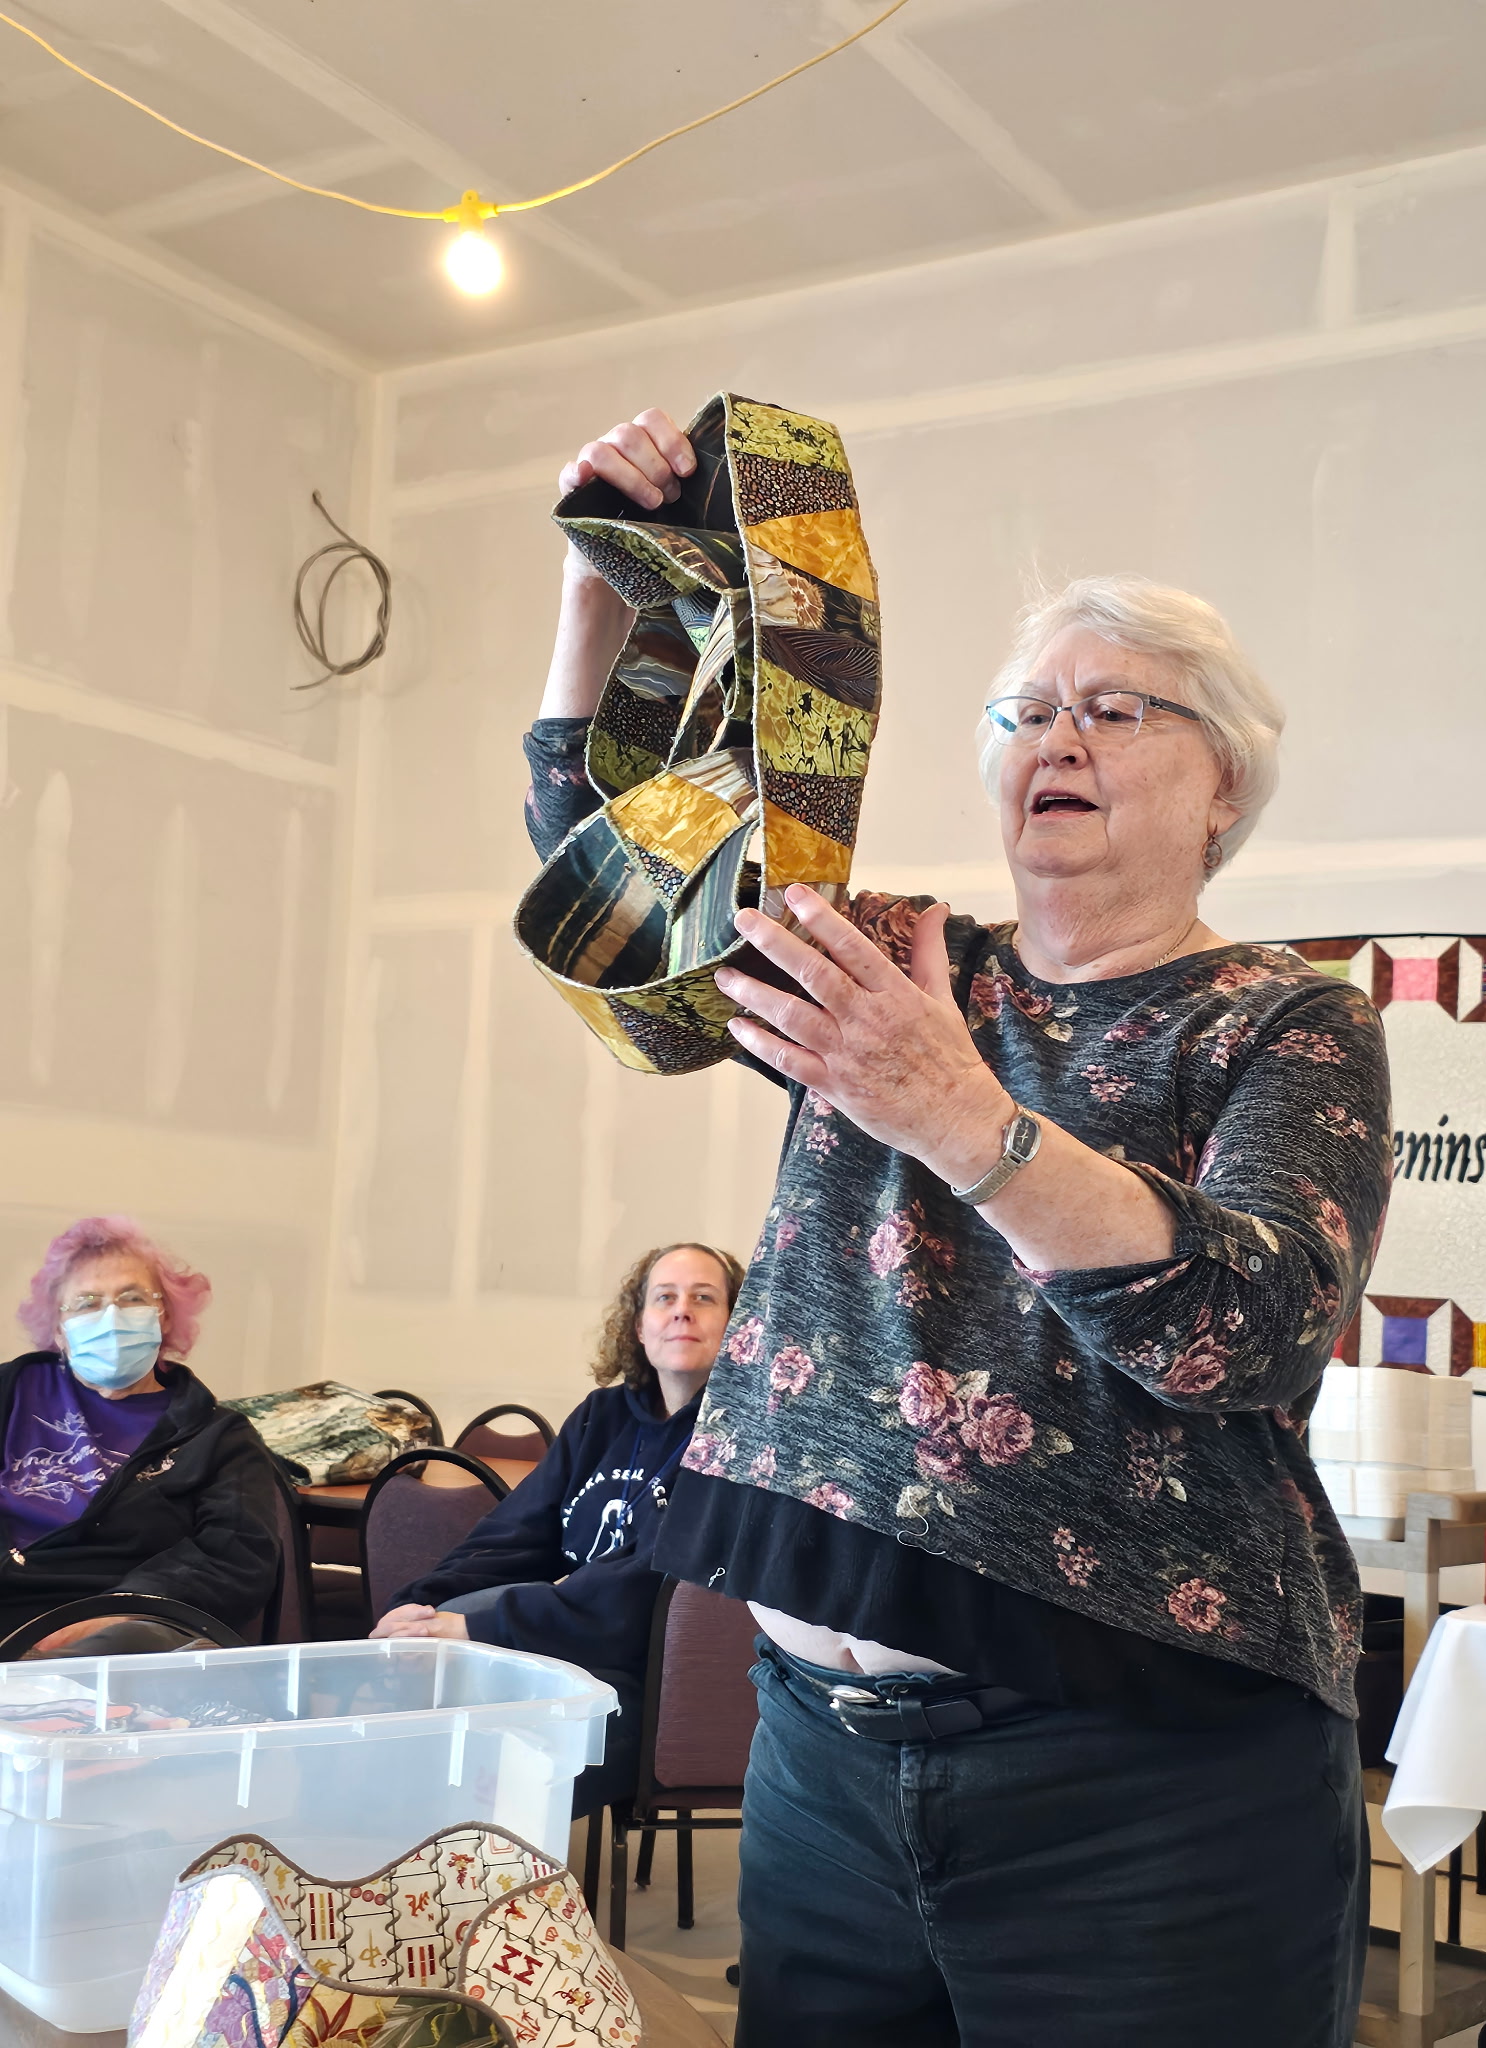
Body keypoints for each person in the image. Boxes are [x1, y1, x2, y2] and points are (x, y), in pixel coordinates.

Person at [521, 412, 1395, 2048]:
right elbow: (625, 913)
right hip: (819, 1764)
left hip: (1142, 1791)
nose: (1055, 734)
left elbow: (1249, 1328)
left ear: (1222, 786)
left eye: (1113, 707)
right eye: (1023, 711)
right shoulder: (898, 955)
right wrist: (603, 588)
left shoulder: (1282, 1020)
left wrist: (951, 1109)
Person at [371, 1241, 744, 1816]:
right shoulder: (602, 1416)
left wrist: (482, 1624)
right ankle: (420, 1860)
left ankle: (484, 1865)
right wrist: (421, 1605)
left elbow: (648, 1586)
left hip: (648, 1677)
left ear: (740, 1324)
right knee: (415, 1691)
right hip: (558, 1650)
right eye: (664, 1297)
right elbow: (514, 1534)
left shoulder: (739, 1440)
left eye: (704, 1298)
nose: (681, 1312)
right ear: (639, 1326)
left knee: (491, 1754)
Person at [0, 1216, 280, 1654]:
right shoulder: (9, 1394)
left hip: (128, 1626)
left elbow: (237, 1558)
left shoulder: (218, 1436)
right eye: (86, 1303)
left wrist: (113, 1613)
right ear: (58, 1329)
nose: (111, 1317)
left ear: (163, 1316)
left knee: (126, 1648)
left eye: (132, 1298)